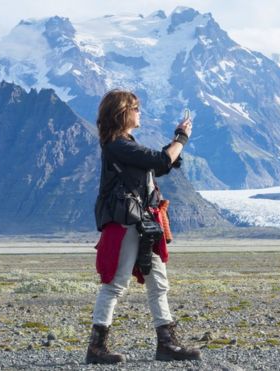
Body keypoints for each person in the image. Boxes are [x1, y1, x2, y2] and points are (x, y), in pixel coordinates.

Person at [86, 89, 199, 364]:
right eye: (135, 108)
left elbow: (158, 166)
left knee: (158, 281)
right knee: (115, 283)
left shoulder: (123, 144)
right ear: (123, 112)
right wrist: (181, 139)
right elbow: (160, 161)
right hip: (127, 222)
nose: (140, 113)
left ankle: (166, 344)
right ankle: (97, 348)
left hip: (141, 222)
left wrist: (175, 144)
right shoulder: (117, 145)